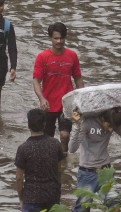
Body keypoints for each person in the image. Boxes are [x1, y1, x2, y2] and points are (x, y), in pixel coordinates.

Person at [70, 107, 121, 212]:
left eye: (114, 127)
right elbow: (72, 148)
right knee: (82, 209)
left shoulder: (113, 120)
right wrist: (77, 125)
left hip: (106, 171)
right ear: (103, 119)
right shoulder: (87, 123)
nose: (111, 130)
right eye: (109, 126)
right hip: (87, 173)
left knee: (115, 206)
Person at [33, 22, 84, 153]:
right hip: (48, 105)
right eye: (56, 38)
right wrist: (42, 99)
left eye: (61, 38)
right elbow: (36, 81)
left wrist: (81, 98)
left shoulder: (72, 56)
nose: (59, 41)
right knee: (47, 139)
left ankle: (63, 158)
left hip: (67, 103)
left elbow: (78, 78)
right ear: (50, 38)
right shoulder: (42, 57)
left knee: (64, 135)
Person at [15, 108, 67, 212]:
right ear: (44, 124)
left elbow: (19, 178)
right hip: (52, 196)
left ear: (28, 126)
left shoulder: (23, 148)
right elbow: (59, 171)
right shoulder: (55, 144)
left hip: (31, 198)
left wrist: (21, 197)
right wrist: (57, 191)